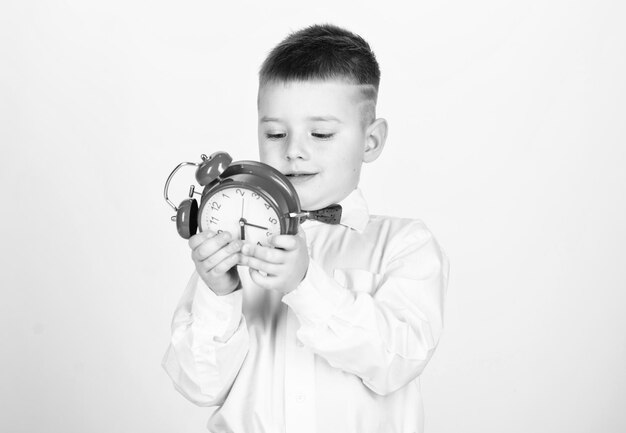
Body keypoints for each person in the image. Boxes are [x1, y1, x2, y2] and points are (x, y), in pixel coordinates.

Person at [163, 24, 449, 433]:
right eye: (275, 133)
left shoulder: (405, 246)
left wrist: (304, 283)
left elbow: (396, 361)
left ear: (370, 141)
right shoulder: (233, 246)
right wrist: (219, 293)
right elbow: (198, 384)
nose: (294, 150)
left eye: (321, 133)